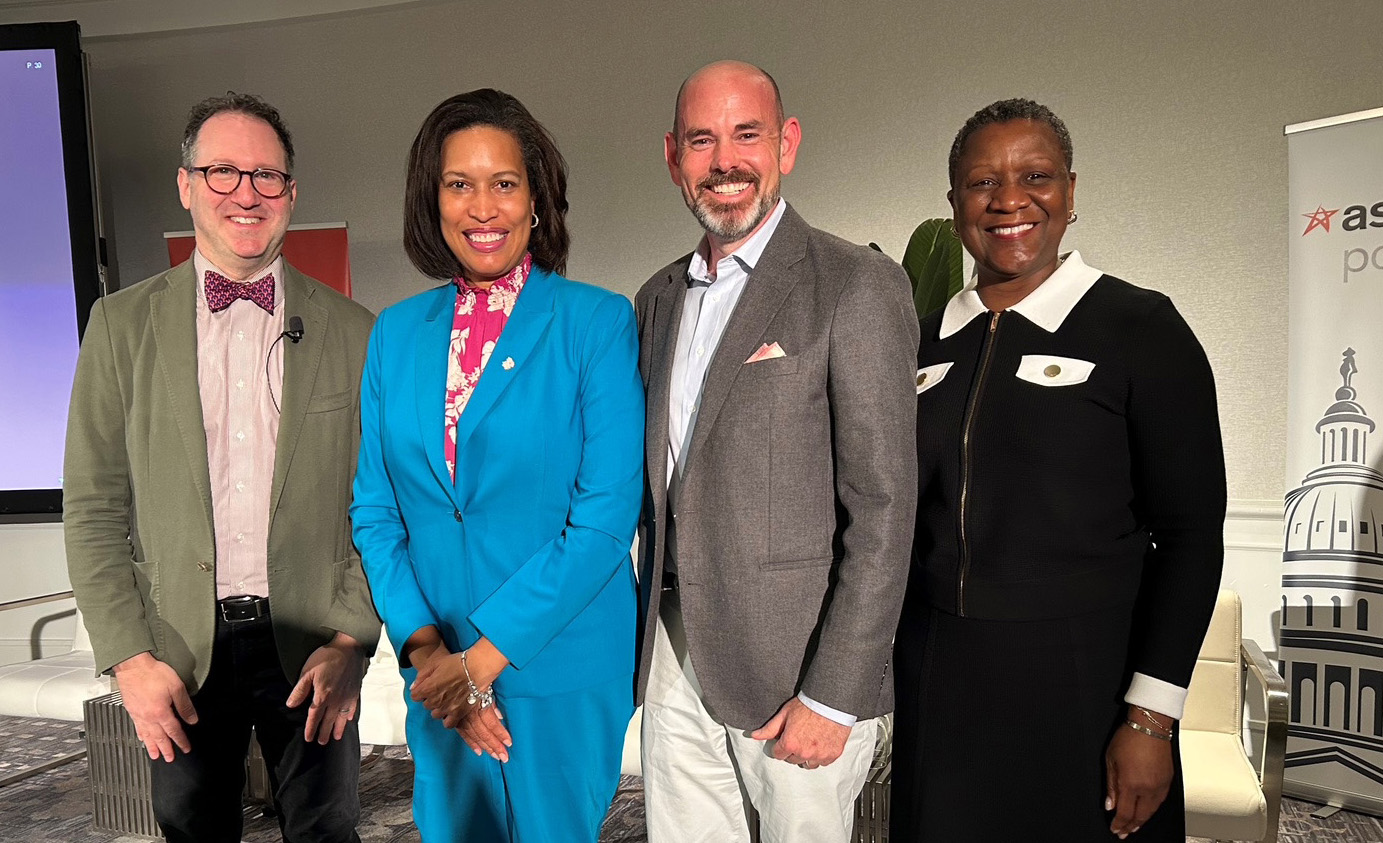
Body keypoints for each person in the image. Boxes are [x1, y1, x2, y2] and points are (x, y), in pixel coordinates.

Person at [894, 98, 1227, 842]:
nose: (1009, 200)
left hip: (1085, 680)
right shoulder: (917, 346)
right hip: (939, 678)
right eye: (983, 183)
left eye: (1035, 175)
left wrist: (1151, 715)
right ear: (954, 206)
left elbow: (1190, 535)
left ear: (1070, 192)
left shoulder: (1140, 327)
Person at [63, 93, 379, 843]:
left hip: (312, 644)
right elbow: (94, 509)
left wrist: (351, 639)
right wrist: (128, 659)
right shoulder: (118, 326)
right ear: (186, 185)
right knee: (190, 827)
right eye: (223, 171)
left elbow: (380, 502)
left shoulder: (357, 331)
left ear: (291, 194)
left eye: (266, 176)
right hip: (176, 646)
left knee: (328, 828)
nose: (246, 192)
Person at [634, 60, 919, 843]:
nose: (724, 160)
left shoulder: (855, 284)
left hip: (798, 675)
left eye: (746, 134)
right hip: (672, 656)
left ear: (785, 144)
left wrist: (835, 693)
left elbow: (886, 508)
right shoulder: (655, 297)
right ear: (673, 157)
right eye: (701, 139)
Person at [350, 89, 643, 842]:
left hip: (557, 662)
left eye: (504, 183)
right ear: (432, 199)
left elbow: (605, 517)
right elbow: (377, 511)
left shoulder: (595, 320)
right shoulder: (394, 333)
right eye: (459, 184)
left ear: (537, 199)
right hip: (438, 667)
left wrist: (483, 660)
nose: (483, 207)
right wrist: (428, 655)